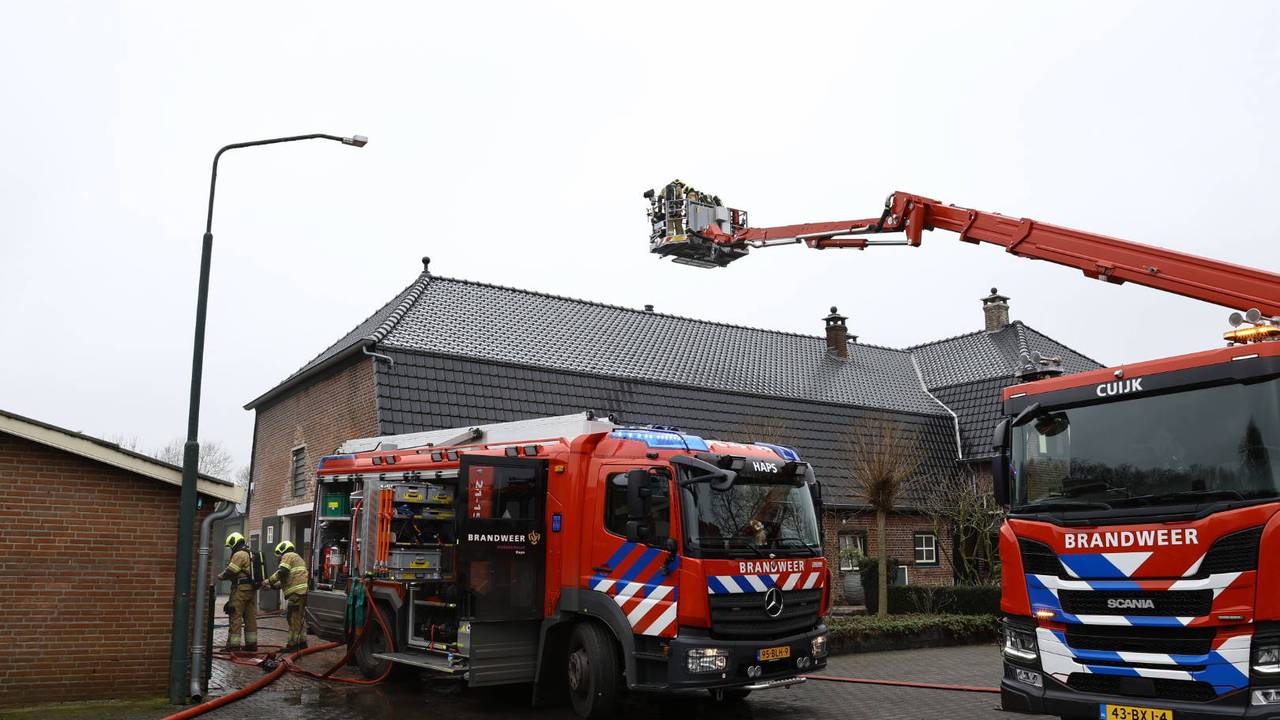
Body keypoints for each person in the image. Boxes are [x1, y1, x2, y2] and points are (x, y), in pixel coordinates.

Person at [216, 532, 258, 652]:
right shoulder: (250, 553)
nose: (230, 549)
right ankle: (251, 644)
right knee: (250, 617)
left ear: (234, 543)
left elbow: (231, 571)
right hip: (251, 589)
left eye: (230, 546)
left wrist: (218, 577)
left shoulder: (239, 554)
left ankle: (233, 646)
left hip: (240, 590)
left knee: (235, 615)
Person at [267, 540, 310, 652]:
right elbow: (286, 579)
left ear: (282, 551)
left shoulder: (288, 556)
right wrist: (272, 586)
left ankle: (292, 645)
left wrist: (269, 581)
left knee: (292, 619)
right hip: (302, 593)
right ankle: (302, 642)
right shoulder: (298, 558)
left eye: (279, 556)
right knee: (299, 619)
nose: (280, 558)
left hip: (296, 595)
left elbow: (282, 572)